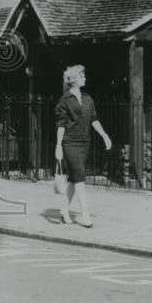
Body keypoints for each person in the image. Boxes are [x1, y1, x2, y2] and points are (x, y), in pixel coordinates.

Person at [55, 65, 111, 227]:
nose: (85, 78)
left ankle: (65, 210)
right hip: (69, 143)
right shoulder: (64, 100)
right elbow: (61, 125)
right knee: (79, 177)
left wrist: (105, 136)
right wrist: (58, 146)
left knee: (74, 178)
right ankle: (85, 214)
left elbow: (94, 119)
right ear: (73, 80)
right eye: (81, 76)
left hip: (84, 143)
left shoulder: (88, 99)